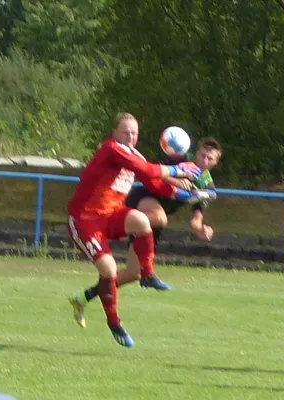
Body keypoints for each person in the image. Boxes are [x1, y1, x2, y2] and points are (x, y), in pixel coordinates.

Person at [66, 112, 202, 347]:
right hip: (85, 219)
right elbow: (150, 171)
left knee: (141, 220)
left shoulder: (133, 154)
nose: (130, 136)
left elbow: (153, 183)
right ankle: (114, 323)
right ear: (115, 133)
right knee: (108, 268)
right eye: (126, 132)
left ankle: (147, 275)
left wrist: (188, 196)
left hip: (110, 214)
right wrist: (178, 170)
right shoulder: (112, 149)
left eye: (134, 133)